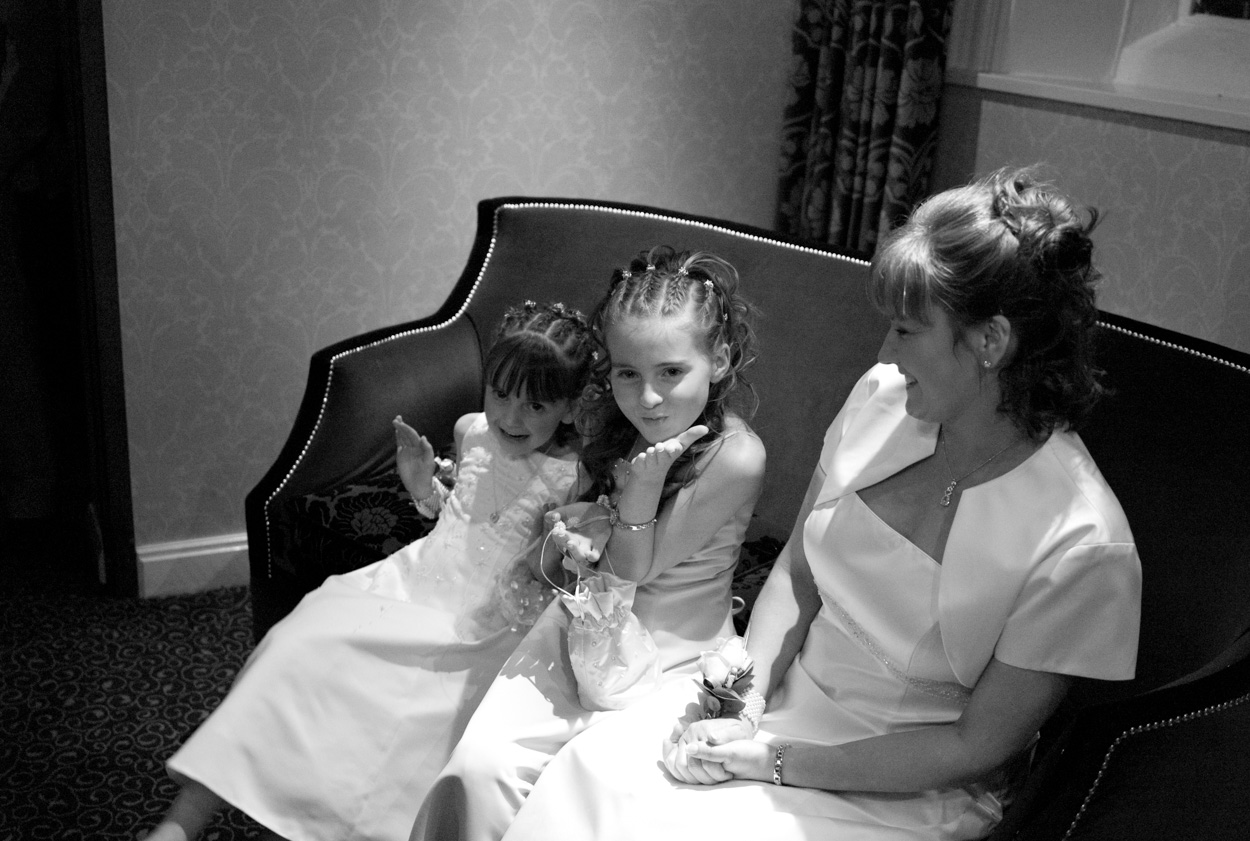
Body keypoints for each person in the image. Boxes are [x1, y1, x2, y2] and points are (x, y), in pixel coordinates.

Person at [495, 167, 1143, 841]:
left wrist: (776, 761)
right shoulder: (882, 398)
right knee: (591, 776)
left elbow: (975, 746)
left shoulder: (1084, 544)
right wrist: (743, 704)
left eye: (906, 329)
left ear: (990, 341)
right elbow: (798, 572)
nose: (885, 351)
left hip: (905, 780)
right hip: (780, 700)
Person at [144, 301, 595, 841]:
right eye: (500, 394)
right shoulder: (471, 431)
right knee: (296, 644)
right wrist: (423, 484)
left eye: (535, 405)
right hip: (412, 581)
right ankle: (183, 820)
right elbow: (457, 512)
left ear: (569, 409)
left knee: (409, 713)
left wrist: (554, 550)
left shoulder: (572, 477)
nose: (510, 418)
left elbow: (552, 567)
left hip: (485, 620)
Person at [412, 245, 769, 841]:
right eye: (628, 373)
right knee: (478, 770)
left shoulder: (737, 455)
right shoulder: (617, 427)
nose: (648, 398)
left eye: (671, 372)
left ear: (720, 359)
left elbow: (632, 566)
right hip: (581, 628)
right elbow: (576, 544)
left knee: (577, 807)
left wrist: (641, 489)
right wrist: (565, 535)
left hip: (671, 659)